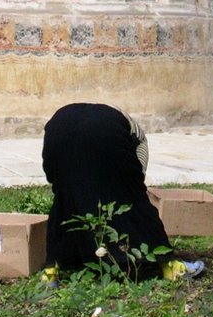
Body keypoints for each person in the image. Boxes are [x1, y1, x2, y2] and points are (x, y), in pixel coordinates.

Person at [41, 103, 204, 281]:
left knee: (65, 200)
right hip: (104, 131)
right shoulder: (139, 139)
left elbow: (58, 178)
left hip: (57, 129)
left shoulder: (115, 120)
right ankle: (170, 267)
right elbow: (135, 180)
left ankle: (51, 274)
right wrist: (132, 191)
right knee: (134, 199)